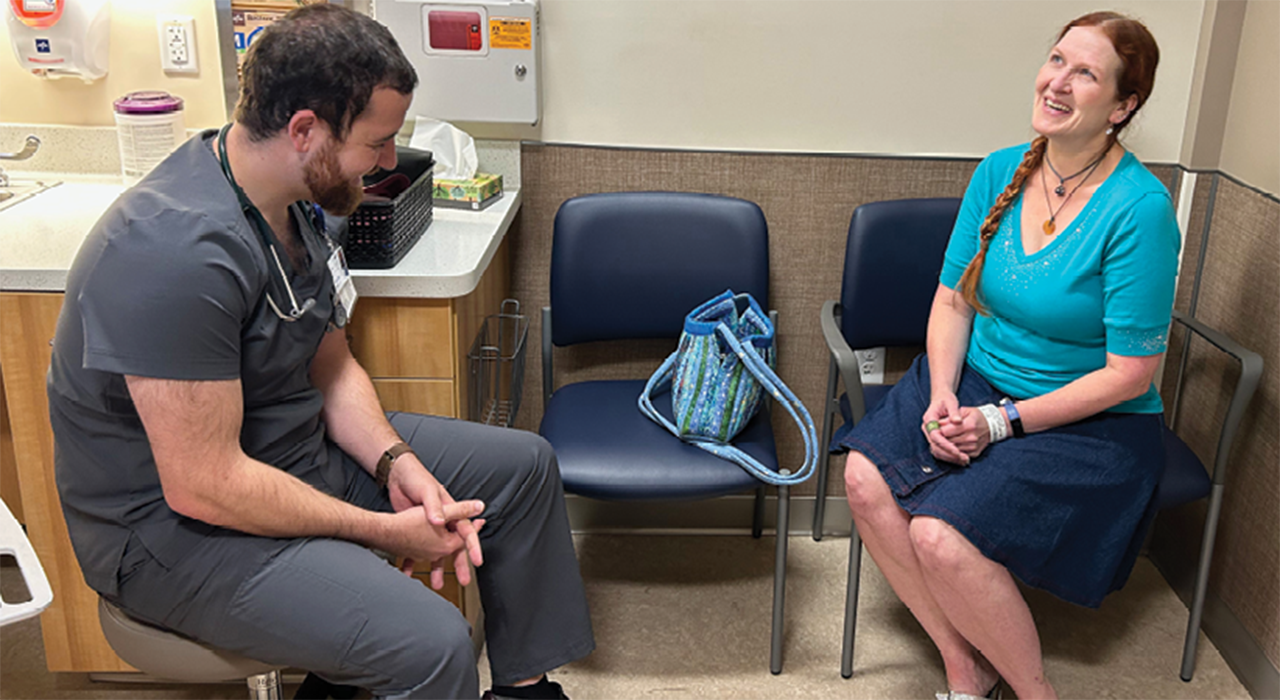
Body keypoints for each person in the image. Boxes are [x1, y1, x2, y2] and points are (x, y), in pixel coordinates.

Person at [47, 5, 593, 699]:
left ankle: (524, 690)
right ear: (305, 130)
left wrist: (399, 465)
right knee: (430, 644)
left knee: (521, 469)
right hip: (169, 535)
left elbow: (330, 366)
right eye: (378, 141)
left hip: (288, 451)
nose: (391, 160)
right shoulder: (170, 253)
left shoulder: (301, 202)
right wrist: (382, 529)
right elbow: (204, 484)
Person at [839, 12, 1176, 700]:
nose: (1058, 81)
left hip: (1089, 420)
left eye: (1085, 73)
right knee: (864, 482)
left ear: (1122, 106)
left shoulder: (1139, 209)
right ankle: (967, 670)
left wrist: (1000, 422)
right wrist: (941, 390)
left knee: (939, 535)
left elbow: (1131, 373)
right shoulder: (999, 171)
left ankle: (1033, 691)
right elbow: (953, 301)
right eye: (1057, 59)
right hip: (974, 380)